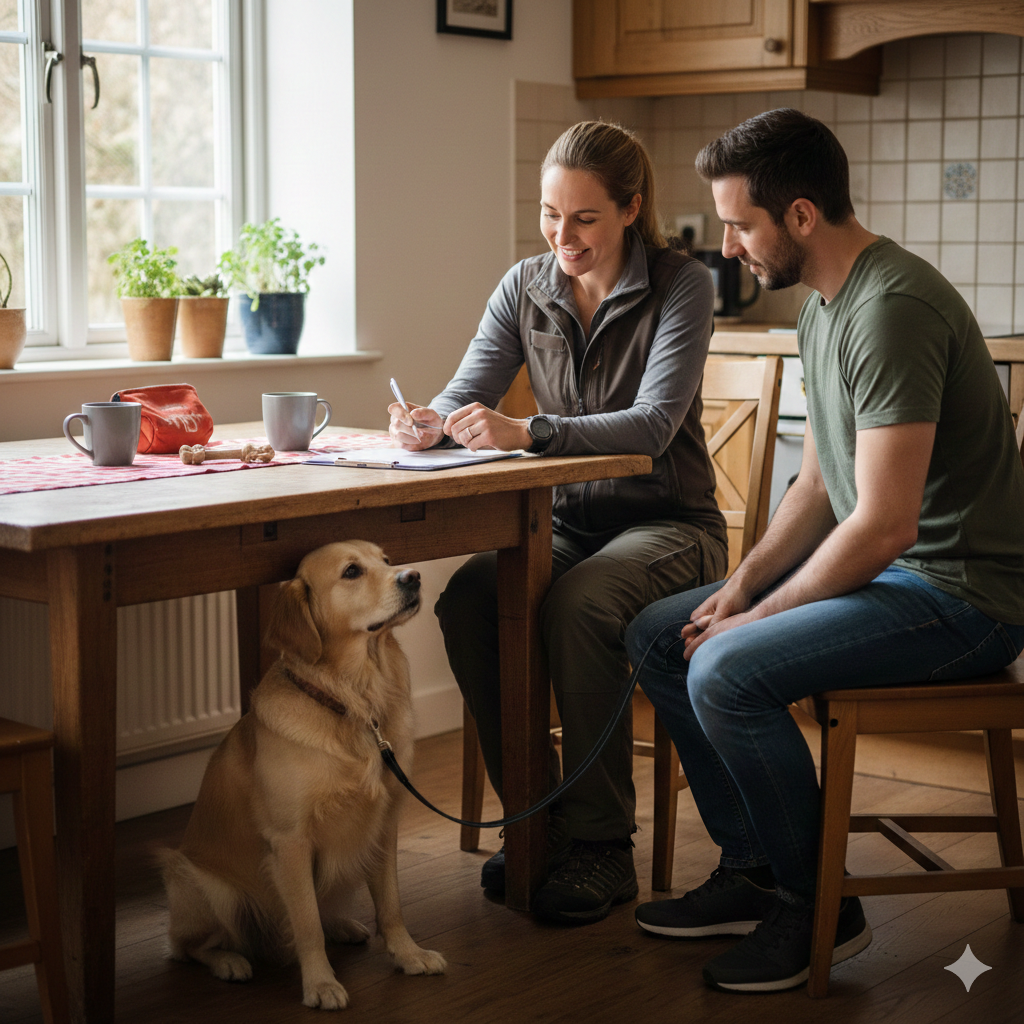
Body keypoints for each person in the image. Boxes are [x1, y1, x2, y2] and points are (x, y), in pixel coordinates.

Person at [625, 107, 1024, 992]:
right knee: (664, 635)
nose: (727, 246)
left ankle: (821, 905)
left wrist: (755, 621)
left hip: (962, 601)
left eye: (739, 223)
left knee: (724, 672)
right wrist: (736, 591)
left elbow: (884, 525)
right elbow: (818, 486)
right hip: (900, 582)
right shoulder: (823, 307)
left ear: (801, 216)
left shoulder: (892, 309)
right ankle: (756, 869)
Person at [388, 121, 728, 925]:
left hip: (671, 524)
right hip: (563, 523)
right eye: (549, 214)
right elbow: (470, 386)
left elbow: (650, 427)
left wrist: (530, 432)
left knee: (581, 606)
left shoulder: (683, 285)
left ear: (630, 209)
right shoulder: (525, 285)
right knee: (470, 597)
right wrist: (427, 421)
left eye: (584, 218)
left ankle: (602, 847)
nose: (561, 236)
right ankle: (539, 823)